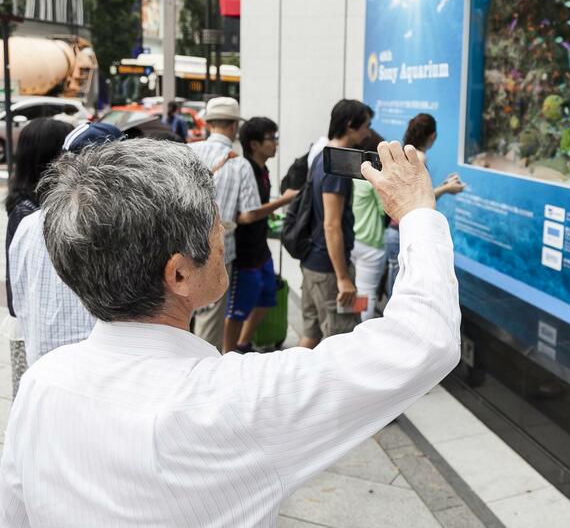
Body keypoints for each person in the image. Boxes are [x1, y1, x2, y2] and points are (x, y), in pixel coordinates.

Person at [0, 138, 459, 526]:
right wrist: (417, 211)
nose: (222, 234)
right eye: (213, 225)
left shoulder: (43, 381)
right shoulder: (232, 400)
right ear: (178, 275)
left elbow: (14, 513)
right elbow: (424, 339)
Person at [7, 122, 124, 368]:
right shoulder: (121, 227)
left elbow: (17, 301)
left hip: (44, 364)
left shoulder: (29, 224)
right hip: (99, 369)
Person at [189, 97, 297, 350]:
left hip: (182, 243)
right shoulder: (238, 163)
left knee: (183, 311)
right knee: (210, 316)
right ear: (233, 127)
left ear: (209, 123)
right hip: (218, 247)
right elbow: (247, 214)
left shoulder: (189, 151)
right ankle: (204, 371)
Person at [3, 118, 73, 396]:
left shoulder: (27, 203)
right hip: (32, 329)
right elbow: (15, 289)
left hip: (33, 325)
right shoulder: (29, 212)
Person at [300, 99, 372, 349]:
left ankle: (293, 386)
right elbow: (332, 225)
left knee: (311, 334)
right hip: (329, 270)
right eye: (366, 126)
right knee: (342, 340)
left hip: (313, 264)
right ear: (351, 126)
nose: (368, 132)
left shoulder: (321, 155)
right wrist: (343, 278)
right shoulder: (337, 166)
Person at [385, 113, 465, 297]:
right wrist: (447, 189)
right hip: (404, 233)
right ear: (433, 136)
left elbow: (412, 193)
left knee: (395, 287)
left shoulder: (404, 153)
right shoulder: (419, 157)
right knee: (401, 295)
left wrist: (444, 185)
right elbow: (418, 199)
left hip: (393, 231)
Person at [225, 117, 281, 353]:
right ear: (255, 144)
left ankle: (243, 344)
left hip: (261, 249)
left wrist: (268, 212)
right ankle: (228, 355)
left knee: (268, 296)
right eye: (271, 139)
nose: (275, 144)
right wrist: (283, 202)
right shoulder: (243, 169)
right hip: (244, 251)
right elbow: (245, 215)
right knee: (237, 308)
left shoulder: (263, 169)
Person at [350, 131, 387, 321]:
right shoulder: (372, 181)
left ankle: (356, 322)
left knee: (359, 289)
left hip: (353, 241)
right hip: (371, 244)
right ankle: (364, 331)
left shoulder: (351, 176)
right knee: (367, 292)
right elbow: (385, 210)